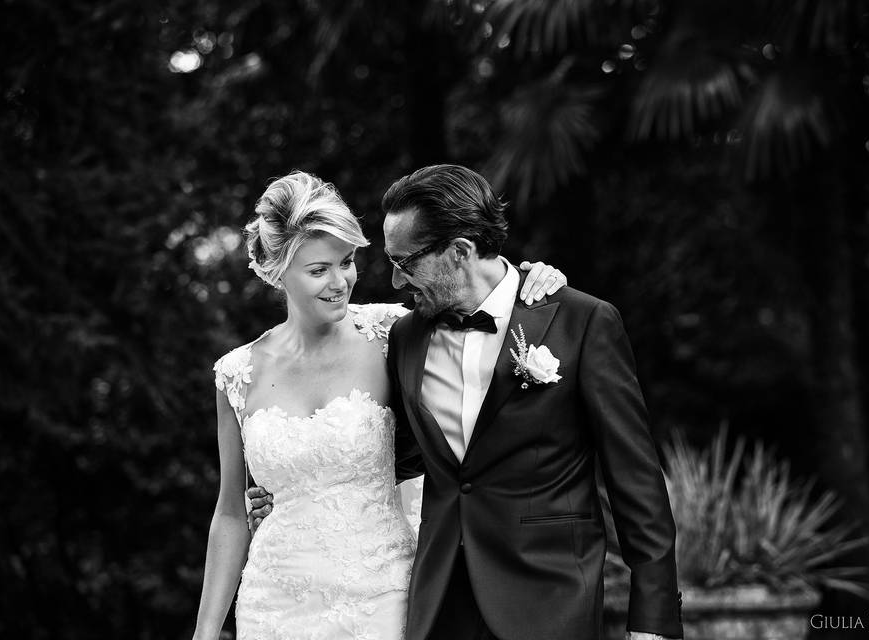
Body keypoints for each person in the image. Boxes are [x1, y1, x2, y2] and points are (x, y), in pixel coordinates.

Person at [251, 164, 683, 640]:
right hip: (438, 604)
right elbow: (396, 454)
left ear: (459, 252)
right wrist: (296, 487)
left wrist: (654, 622)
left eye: (406, 263)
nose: (395, 282)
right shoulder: (403, 335)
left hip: (550, 597)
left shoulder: (580, 322)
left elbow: (635, 481)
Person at [191, 170, 566, 640]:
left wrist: (532, 278)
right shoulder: (235, 374)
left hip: (382, 597)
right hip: (274, 604)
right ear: (277, 272)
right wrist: (205, 631)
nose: (340, 282)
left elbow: (482, 306)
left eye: (346, 262)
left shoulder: (394, 333)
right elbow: (230, 513)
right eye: (317, 270)